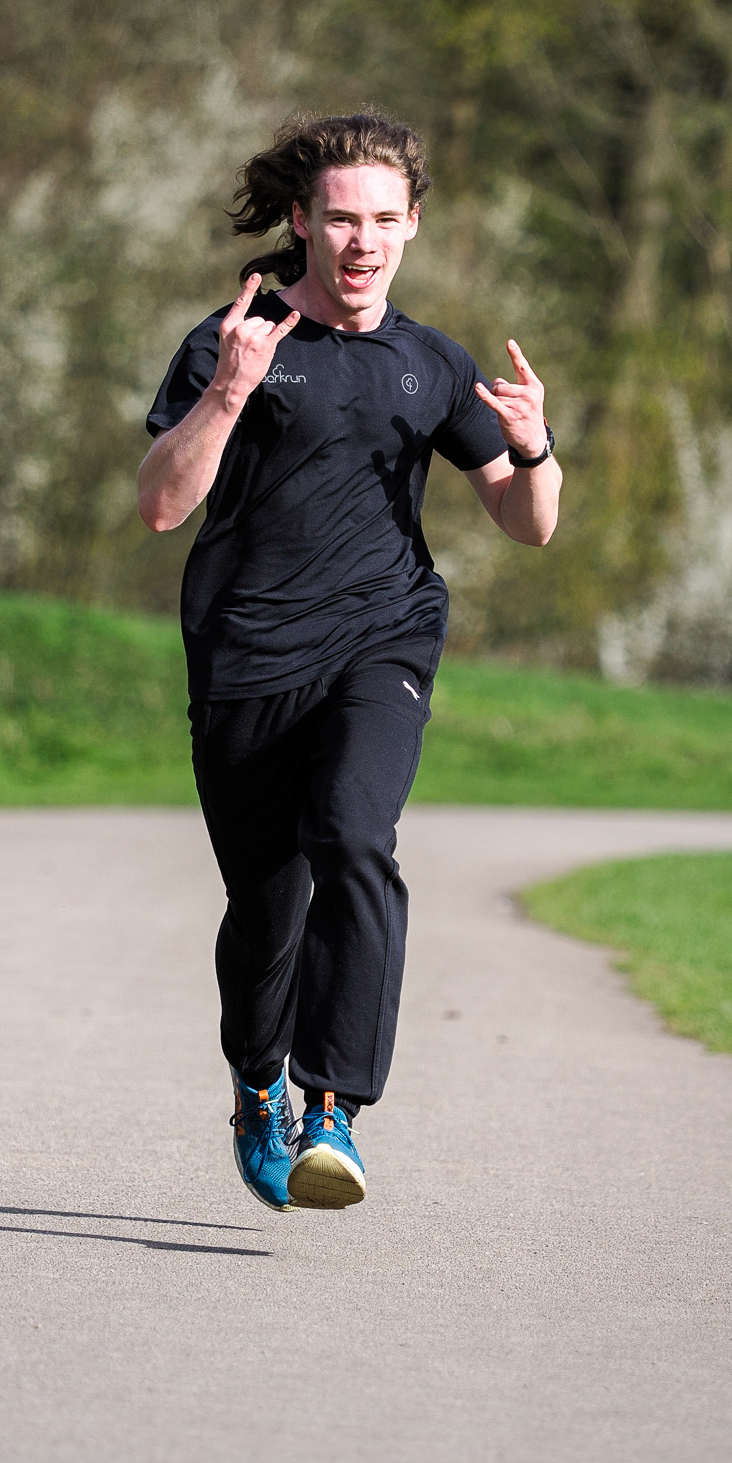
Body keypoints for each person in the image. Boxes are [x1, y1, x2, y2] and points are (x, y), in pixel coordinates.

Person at [138, 110, 561, 1212]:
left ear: (413, 225)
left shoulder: (430, 362)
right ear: (302, 221)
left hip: (384, 637)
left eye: (384, 218)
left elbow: (530, 522)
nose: (363, 240)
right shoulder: (236, 338)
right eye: (341, 218)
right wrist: (229, 389)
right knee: (265, 915)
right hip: (246, 659)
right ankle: (258, 1081)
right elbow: (160, 503)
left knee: (354, 834)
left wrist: (535, 446)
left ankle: (334, 1108)